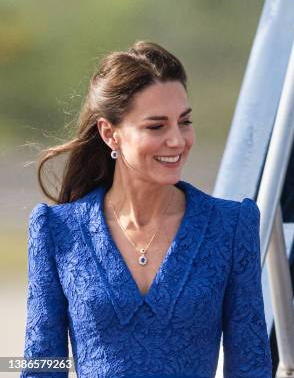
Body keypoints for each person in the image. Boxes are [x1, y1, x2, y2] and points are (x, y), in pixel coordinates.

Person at [23, 41, 272, 378]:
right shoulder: (56, 230)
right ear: (110, 134)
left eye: (184, 122)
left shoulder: (230, 226)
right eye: (156, 126)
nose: (177, 140)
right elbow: (41, 366)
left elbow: (251, 366)